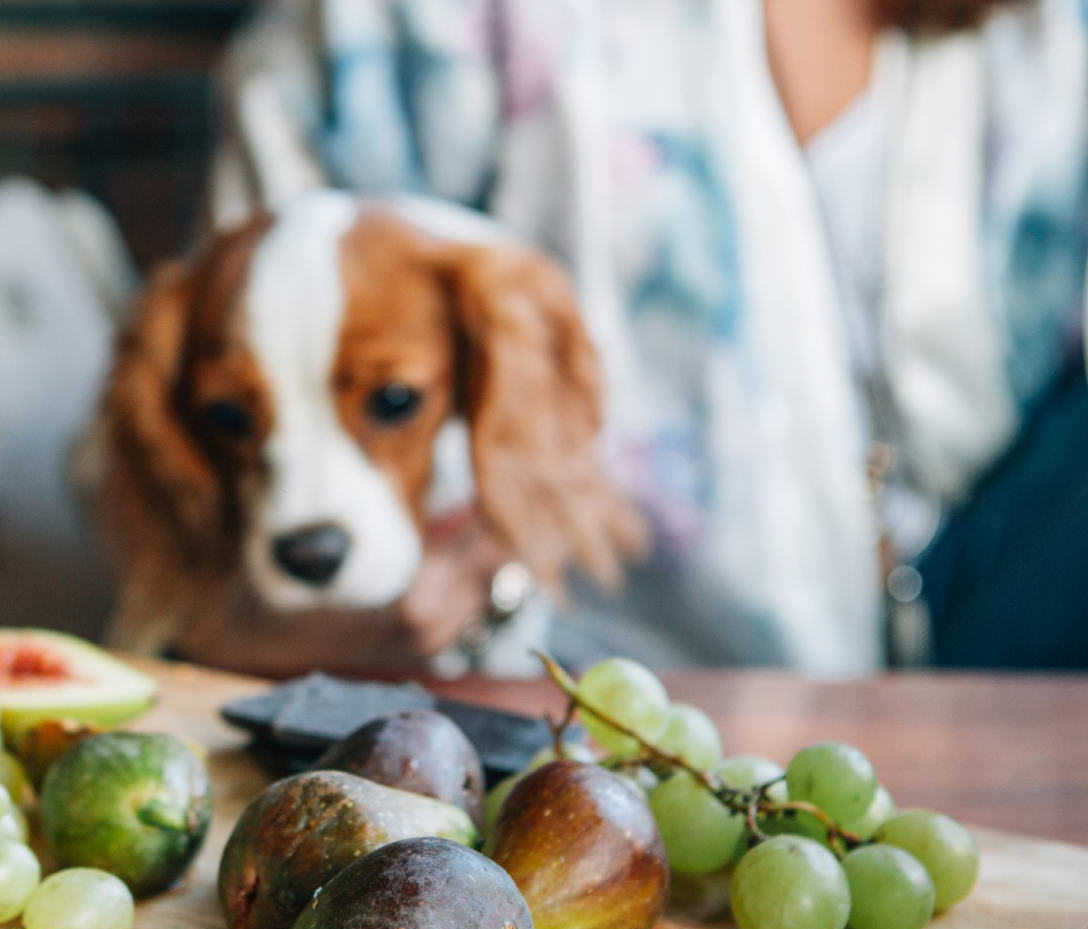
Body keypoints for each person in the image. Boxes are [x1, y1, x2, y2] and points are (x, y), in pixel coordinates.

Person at [206, 0, 1088, 672]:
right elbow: (261, 366)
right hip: (602, 641)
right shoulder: (386, 33)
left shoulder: (1047, 34)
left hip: (986, 570)